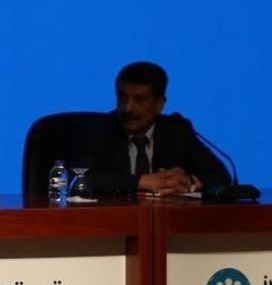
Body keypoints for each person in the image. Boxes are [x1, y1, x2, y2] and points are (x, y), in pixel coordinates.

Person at [74, 61, 229, 196]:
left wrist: (188, 182)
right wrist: (141, 181)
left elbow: (221, 176)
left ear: (159, 103)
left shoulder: (177, 131)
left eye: (139, 99)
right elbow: (80, 179)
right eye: (123, 97)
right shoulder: (96, 132)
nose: (128, 108)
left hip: (165, 216)